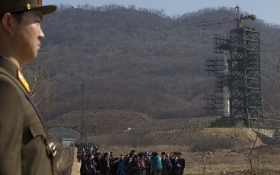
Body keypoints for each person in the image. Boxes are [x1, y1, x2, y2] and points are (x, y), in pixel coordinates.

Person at [0, 0, 57, 174]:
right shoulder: (5, 87)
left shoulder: (12, 83)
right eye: (37, 22)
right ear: (9, 23)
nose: (41, 34)